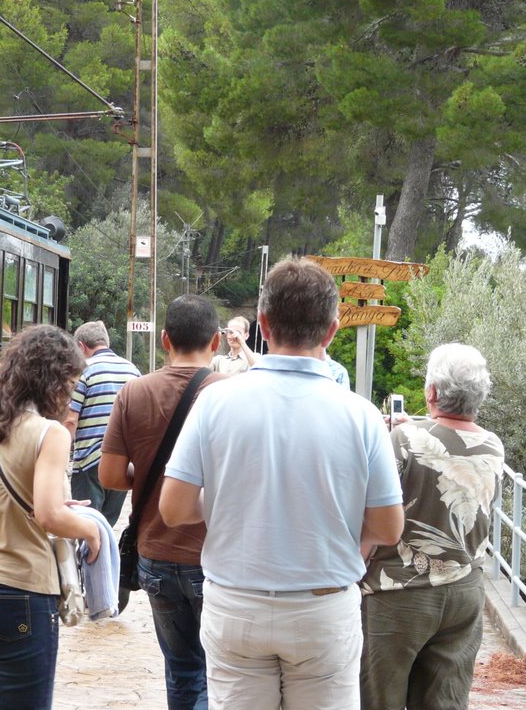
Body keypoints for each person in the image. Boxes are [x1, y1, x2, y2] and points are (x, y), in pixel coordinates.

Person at [160, 256, 404, 710]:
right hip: (324, 607)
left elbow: (173, 509)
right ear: (332, 331)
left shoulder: (214, 401)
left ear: (263, 326)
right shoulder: (362, 415)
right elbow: (389, 528)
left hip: (236, 602)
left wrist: (226, 503)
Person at [0, 325, 101, 709]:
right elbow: (48, 515)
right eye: (69, 381)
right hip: (18, 593)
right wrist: (91, 531)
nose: (70, 391)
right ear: (53, 380)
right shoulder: (50, 434)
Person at [359, 343, 505, 710]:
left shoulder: (402, 439)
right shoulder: (494, 446)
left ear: (432, 392)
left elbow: (374, 512)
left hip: (399, 592)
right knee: (447, 700)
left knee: (379, 698)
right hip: (464, 593)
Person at [99, 295, 226, 710]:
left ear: (164, 340)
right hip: (215, 555)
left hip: (156, 552)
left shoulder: (133, 393)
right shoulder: (232, 394)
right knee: (220, 672)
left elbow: (111, 476)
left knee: (182, 668)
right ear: (218, 341)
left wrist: (161, 479)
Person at [64, 320, 141, 526]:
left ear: (81, 346)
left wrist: (61, 458)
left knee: (86, 526)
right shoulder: (133, 370)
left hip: (89, 461)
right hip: (123, 462)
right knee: (107, 527)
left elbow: (71, 420)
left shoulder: (83, 371)